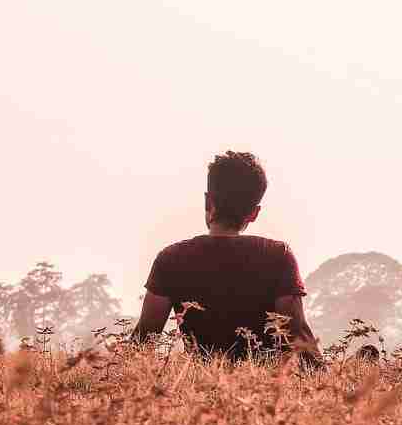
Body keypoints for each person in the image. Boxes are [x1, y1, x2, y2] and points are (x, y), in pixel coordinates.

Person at [132, 151, 320, 364]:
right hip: (263, 392)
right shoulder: (278, 256)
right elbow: (298, 336)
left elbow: (144, 338)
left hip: (199, 390)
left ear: (208, 202)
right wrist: (328, 389)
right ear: (254, 213)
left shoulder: (170, 258)